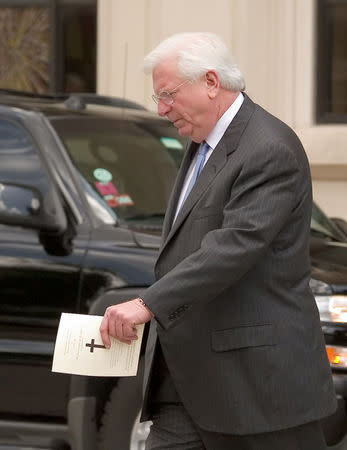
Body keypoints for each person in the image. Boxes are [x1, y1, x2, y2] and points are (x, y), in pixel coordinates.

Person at [100, 32, 337, 449]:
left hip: (257, 388)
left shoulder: (268, 147)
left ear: (211, 82)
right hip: (186, 382)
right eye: (157, 97)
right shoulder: (201, 142)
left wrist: (146, 303)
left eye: (168, 94)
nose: (161, 109)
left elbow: (233, 246)